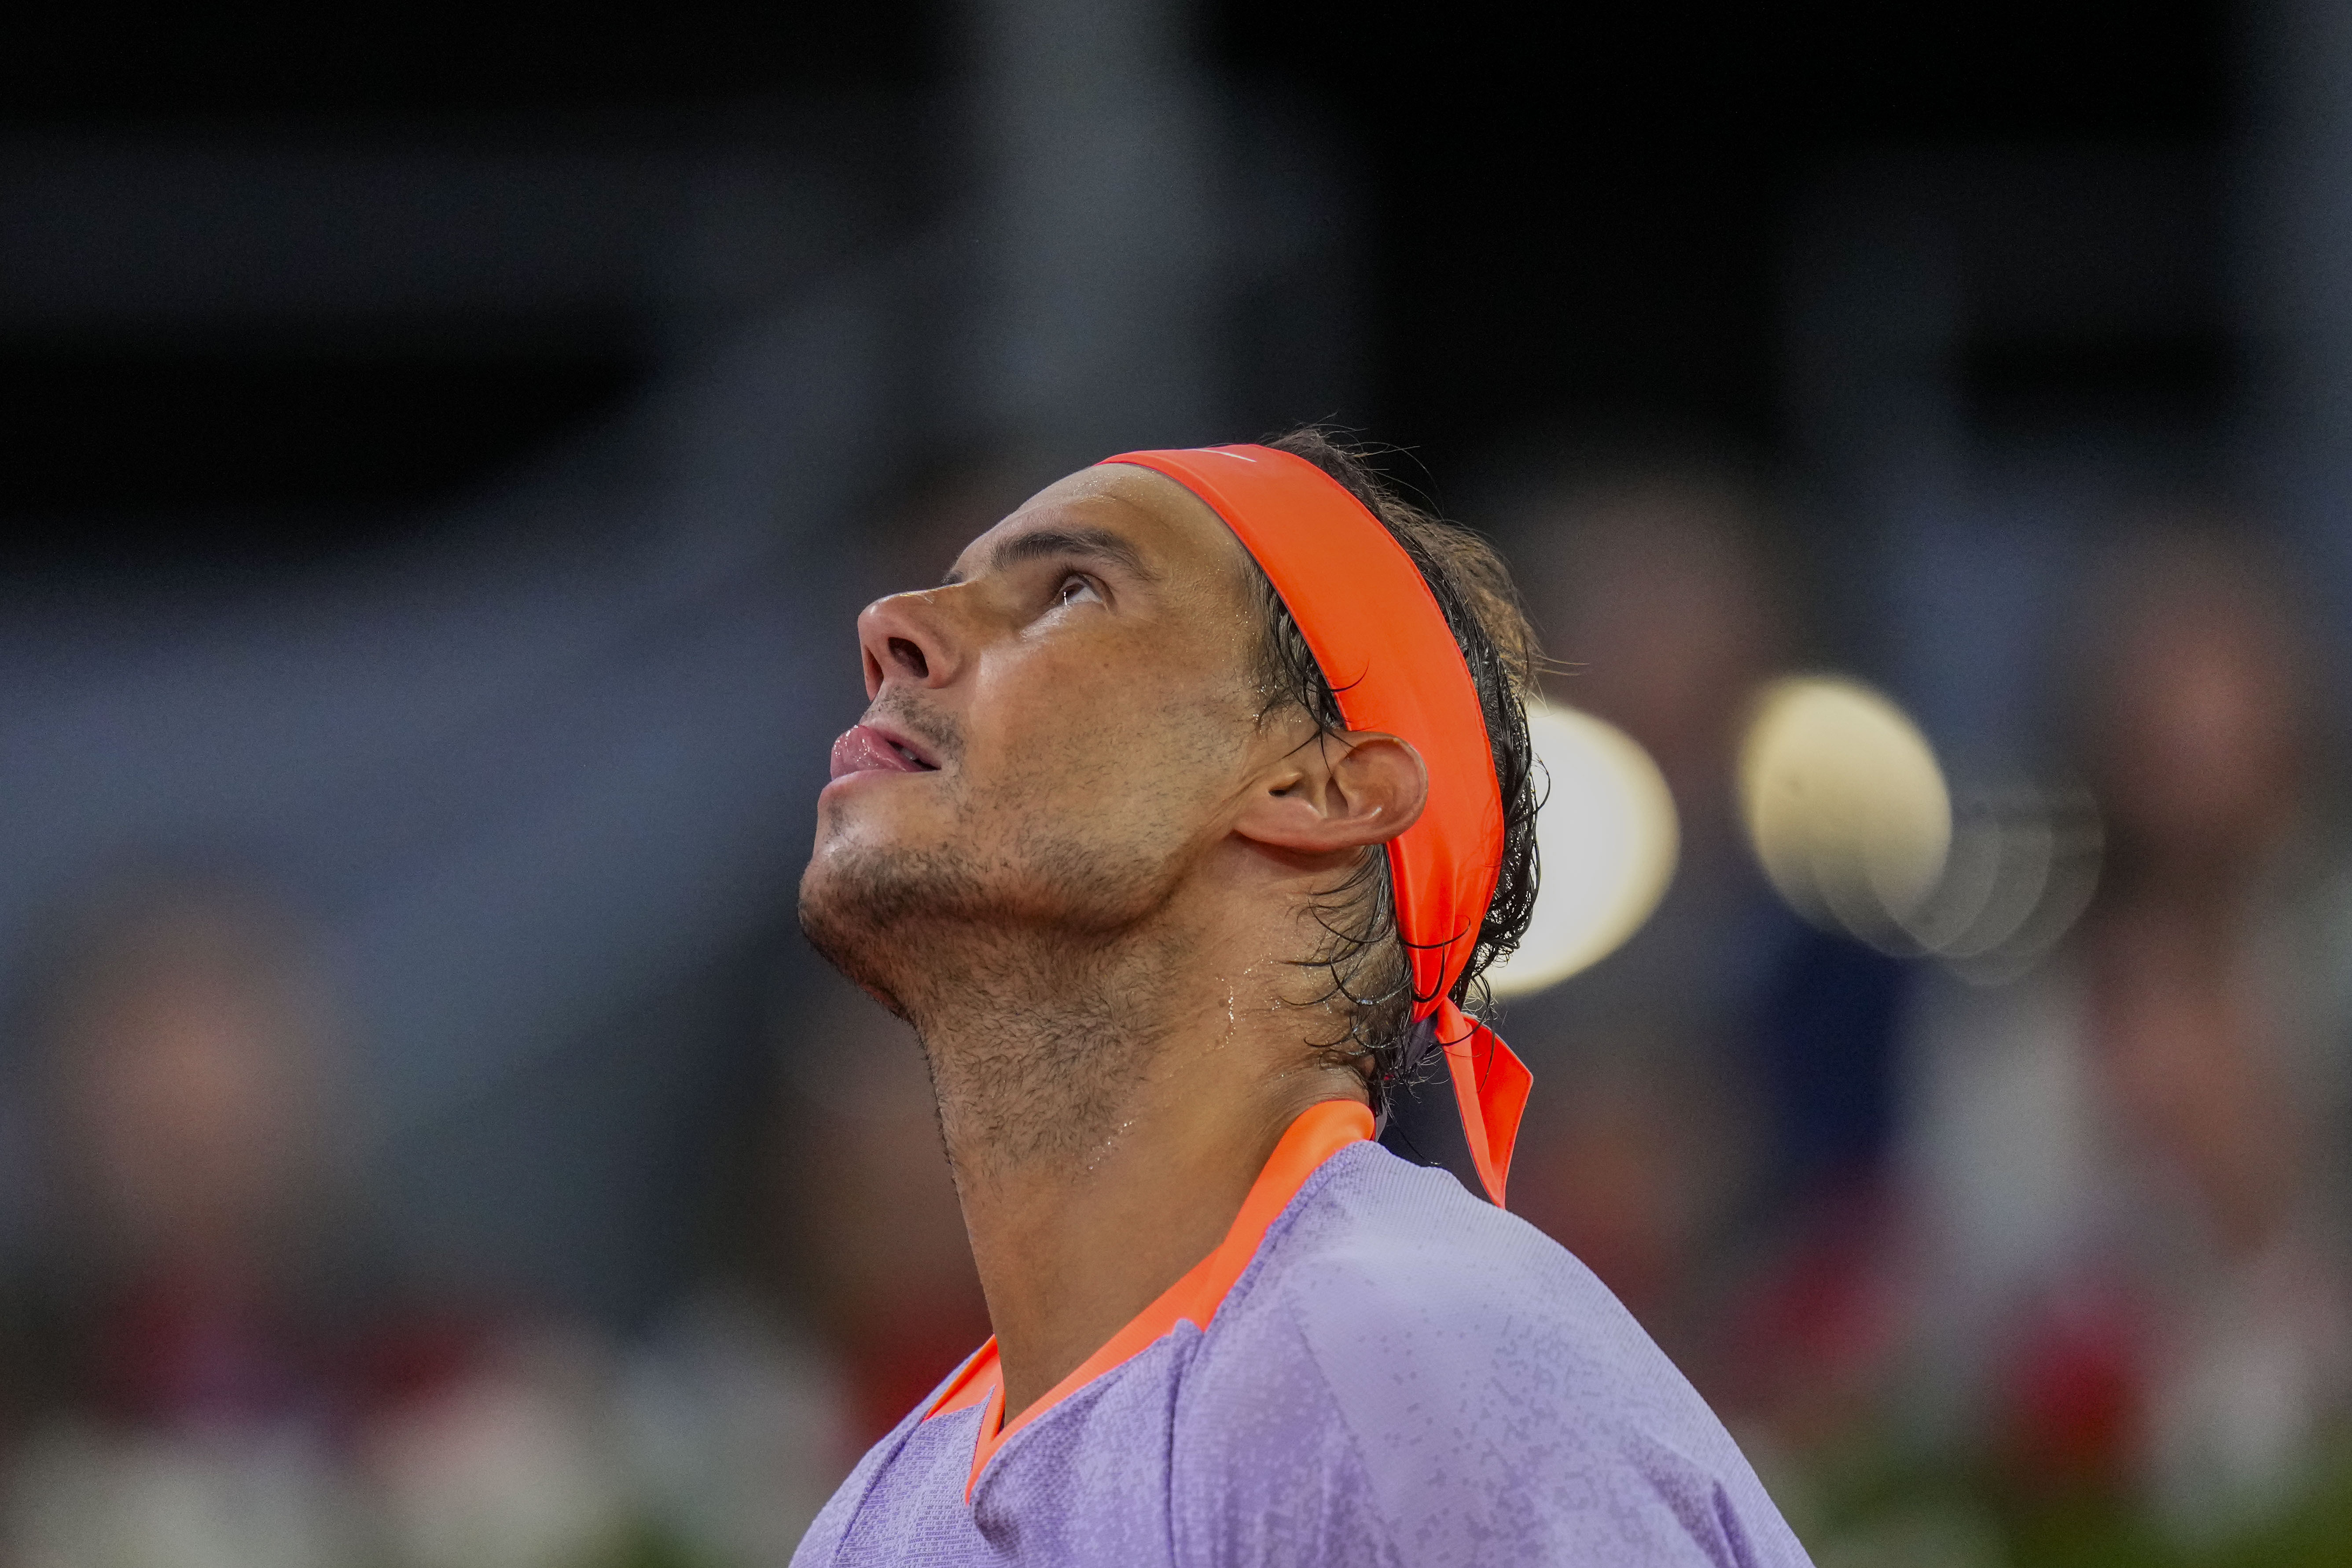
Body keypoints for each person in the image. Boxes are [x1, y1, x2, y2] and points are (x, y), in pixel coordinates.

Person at [790, 430, 1811, 1565]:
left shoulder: (1418, 1383)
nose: (892, 626)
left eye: (1070, 589)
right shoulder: (881, 1515)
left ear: (1316, 786)